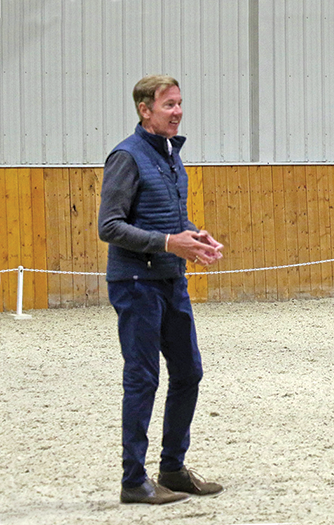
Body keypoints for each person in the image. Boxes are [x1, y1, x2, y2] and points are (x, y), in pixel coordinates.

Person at [99, 75, 225, 505]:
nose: (178, 111)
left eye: (180, 103)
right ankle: (133, 481)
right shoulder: (126, 157)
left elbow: (171, 221)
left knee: (189, 372)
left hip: (171, 280)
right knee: (143, 379)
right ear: (144, 109)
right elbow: (109, 226)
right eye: (169, 105)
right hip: (136, 285)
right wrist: (170, 242)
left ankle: (172, 467)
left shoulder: (172, 155)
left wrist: (194, 237)